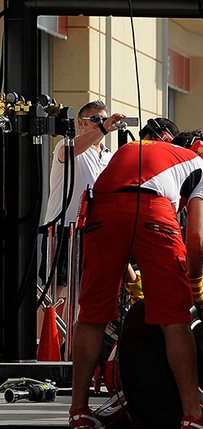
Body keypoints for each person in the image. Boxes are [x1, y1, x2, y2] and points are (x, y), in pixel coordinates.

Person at [70, 129, 203, 429]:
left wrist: (132, 278)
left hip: (101, 208)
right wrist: (196, 284)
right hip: (152, 210)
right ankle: (193, 415)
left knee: (92, 314)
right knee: (174, 318)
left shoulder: (137, 149)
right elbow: (197, 237)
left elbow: (118, 212)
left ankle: (79, 411)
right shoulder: (200, 167)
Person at [39, 101, 125, 305]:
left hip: (91, 230)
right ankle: (45, 337)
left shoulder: (109, 155)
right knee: (53, 290)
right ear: (81, 123)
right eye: (95, 119)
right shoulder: (67, 144)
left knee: (84, 290)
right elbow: (73, 150)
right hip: (61, 228)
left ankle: (72, 336)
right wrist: (104, 128)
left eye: (104, 119)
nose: (101, 123)